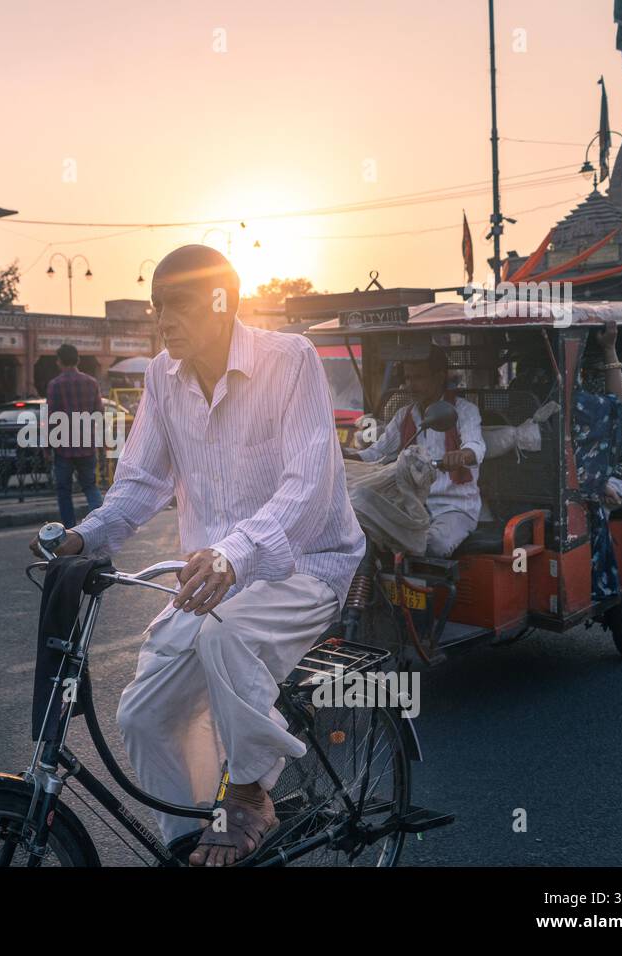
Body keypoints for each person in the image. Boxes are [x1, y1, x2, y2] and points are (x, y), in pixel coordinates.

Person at [29, 245, 364, 866]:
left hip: (306, 563)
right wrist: (85, 537)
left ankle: (247, 795)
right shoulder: (162, 375)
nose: (164, 319)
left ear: (222, 300)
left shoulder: (289, 360)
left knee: (225, 635)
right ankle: (191, 844)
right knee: (144, 712)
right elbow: (140, 483)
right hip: (212, 580)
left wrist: (234, 554)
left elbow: (307, 485)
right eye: (158, 306)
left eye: (178, 303)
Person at [351, 346, 486, 558]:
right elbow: (375, 455)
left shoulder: (464, 411)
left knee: (435, 544)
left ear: (439, 376)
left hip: (453, 508)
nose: (411, 385)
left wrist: (461, 455)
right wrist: (341, 454)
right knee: (360, 504)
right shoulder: (404, 415)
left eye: (419, 377)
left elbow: (476, 446)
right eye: (408, 378)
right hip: (411, 505)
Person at [572, 319, 622, 602]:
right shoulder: (575, 401)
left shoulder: (580, 401)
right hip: (583, 485)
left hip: (599, 479)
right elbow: (617, 403)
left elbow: (616, 406)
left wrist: (601, 481)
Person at [45, 343, 105, 527]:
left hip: (64, 447)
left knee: (64, 491)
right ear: (78, 359)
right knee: (90, 486)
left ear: (59, 362)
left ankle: (71, 529)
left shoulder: (55, 385)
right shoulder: (92, 382)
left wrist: (47, 447)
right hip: (87, 444)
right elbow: (99, 413)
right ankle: (101, 523)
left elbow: (52, 419)